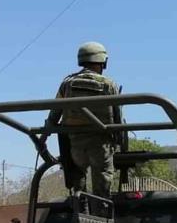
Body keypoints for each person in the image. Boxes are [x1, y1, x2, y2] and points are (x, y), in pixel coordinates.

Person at [44, 41, 122, 199]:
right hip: (101, 145)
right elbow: (117, 118)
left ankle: (80, 210)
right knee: (102, 187)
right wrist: (118, 140)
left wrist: (44, 135)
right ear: (103, 61)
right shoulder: (109, 84)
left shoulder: (67, 83)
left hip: (75, 145)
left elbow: (54, 112)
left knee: (78, 179)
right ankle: (104, 217)